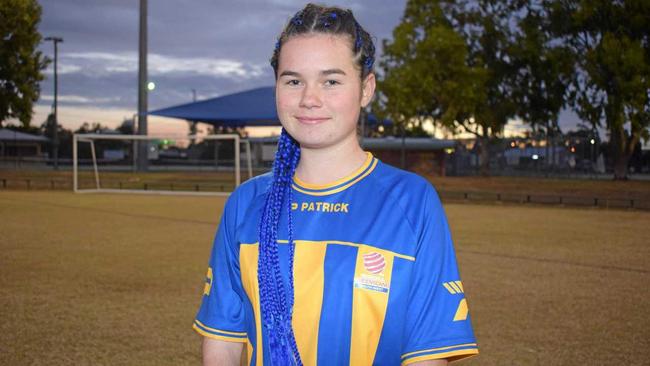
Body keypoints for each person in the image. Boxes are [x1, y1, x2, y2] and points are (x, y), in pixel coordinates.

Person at [193, 3, 478, 365]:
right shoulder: (246, 202)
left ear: (366, 88)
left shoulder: (412, 202)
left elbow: (427, 354)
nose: (310, 99)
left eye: (331, 81)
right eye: (294, 80)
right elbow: (224, 342)